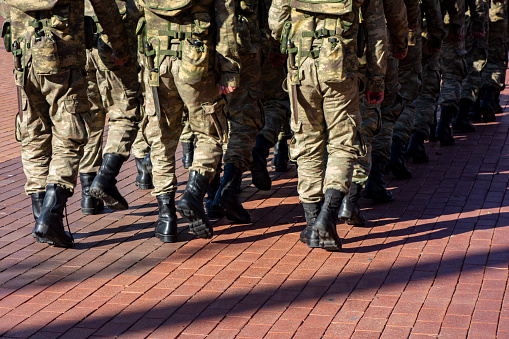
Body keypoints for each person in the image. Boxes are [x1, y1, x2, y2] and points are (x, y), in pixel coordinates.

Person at [4, 0, 129, 247]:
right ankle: (50, 218)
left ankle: (40, 218)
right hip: (62, 59)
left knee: (33, 135)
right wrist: (119, 46)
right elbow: (104, 6)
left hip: (23, 56)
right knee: (70, 135)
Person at [269, 0, 387, 250]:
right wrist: (376, 79)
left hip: (300, 65)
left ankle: (312, 224)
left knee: (307, 141)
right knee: (343, 143)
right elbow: (377, 30)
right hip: (341, 66)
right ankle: (327, 214)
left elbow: (276, 22)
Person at [137, 0, 240, 242]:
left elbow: (131, 12)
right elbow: (226, 20)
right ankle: (193, 193)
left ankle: (166, 218)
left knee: (161, 136)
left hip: (155, 61)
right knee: (210, 132)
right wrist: (229, 70)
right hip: (197, 62)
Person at [80, 0, 143, 214]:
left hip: (81, 39)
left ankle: (88, 196)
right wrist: (121, 44)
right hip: (112, 40)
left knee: (91, 116)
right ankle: (105, 179)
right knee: (124, 113)